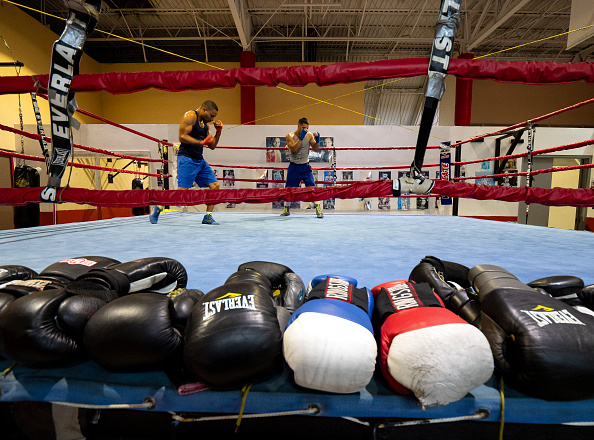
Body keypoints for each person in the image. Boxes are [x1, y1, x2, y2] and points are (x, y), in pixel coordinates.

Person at [149, 100, 223, 225]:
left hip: (199, 160)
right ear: (204, 109)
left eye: (214, 117)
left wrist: (219, 131)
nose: (212, 119)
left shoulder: (206, 125)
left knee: (215, 186)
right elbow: (182, 136)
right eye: (211, 115)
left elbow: (212, 146)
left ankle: (207, 216)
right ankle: (160, 205)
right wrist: (200, 142)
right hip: (187, 158)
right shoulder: (190, 116)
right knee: (182, 190)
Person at [280, 117, 323, 218]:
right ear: (298, 126)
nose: (305, 130)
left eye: (307, 128)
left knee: (312, 187)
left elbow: (316, 150)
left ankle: (318, 208)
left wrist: (318, 140)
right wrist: (300, 138)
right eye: (303, 128)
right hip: (294, 166)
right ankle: (286, 209)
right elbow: (294, 149)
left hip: (305, 167)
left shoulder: (309, 135)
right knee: (289, 189)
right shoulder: (289, 136)